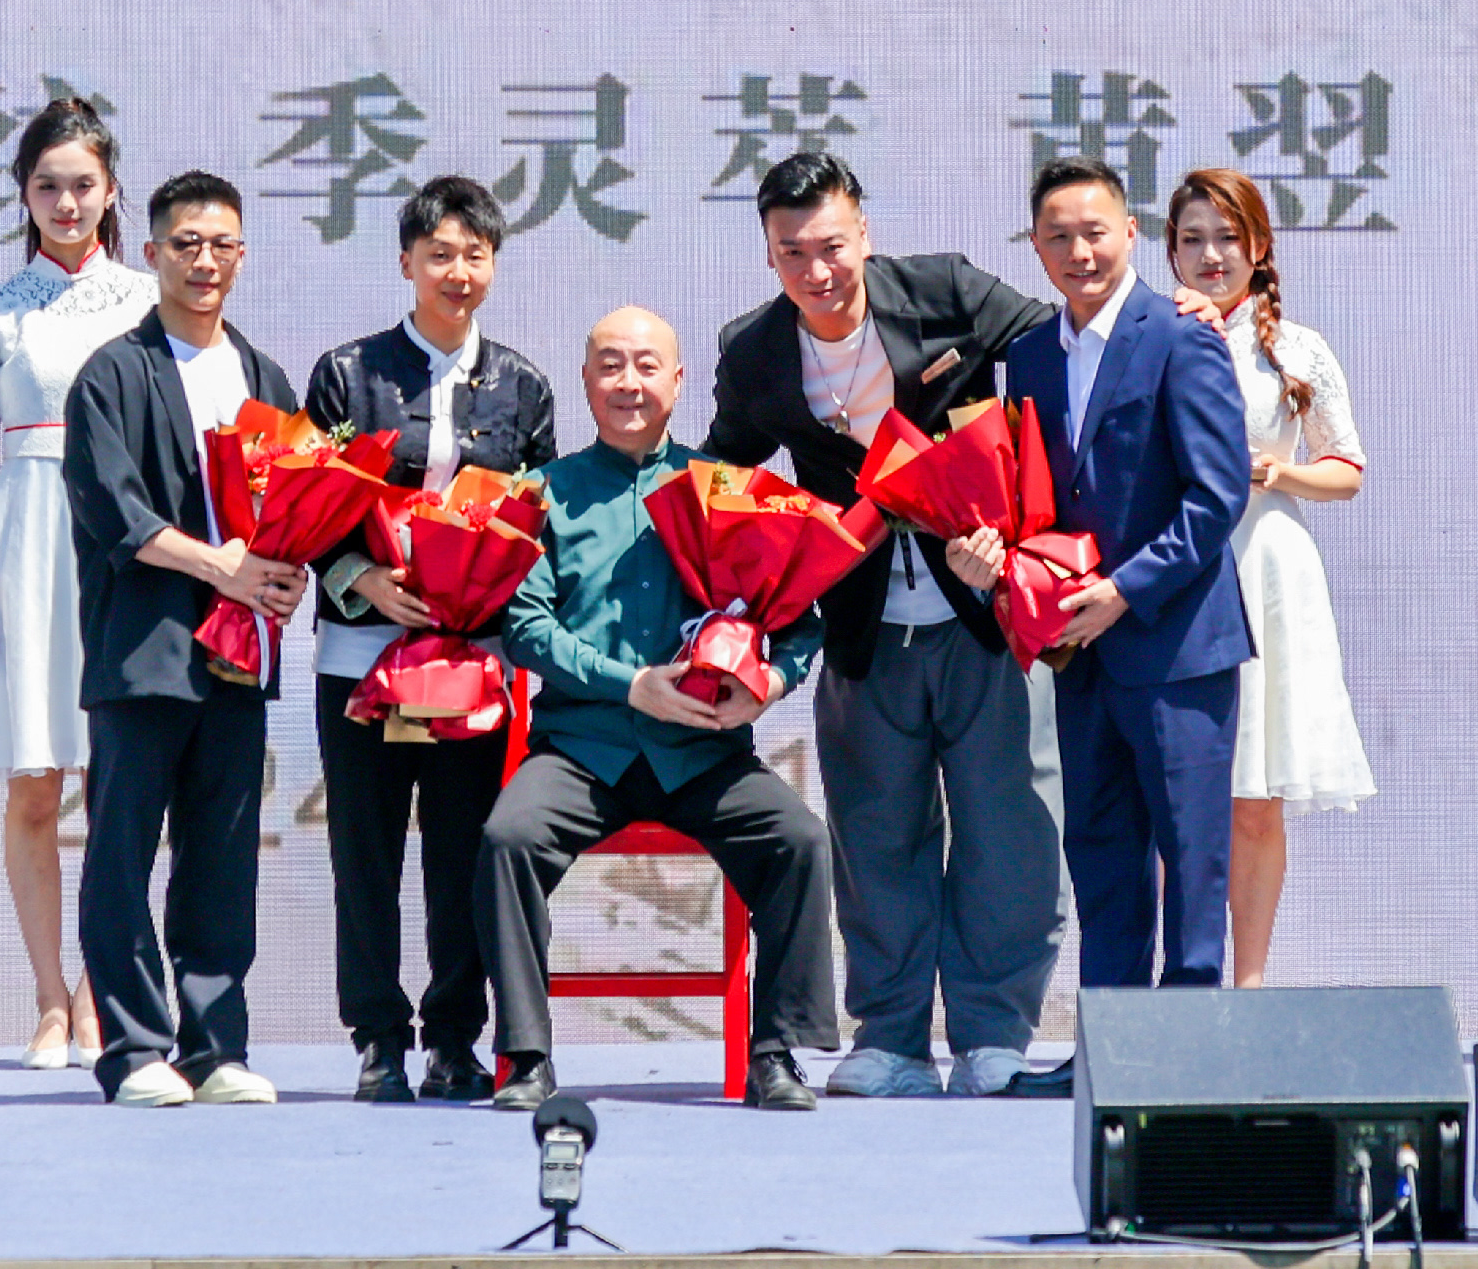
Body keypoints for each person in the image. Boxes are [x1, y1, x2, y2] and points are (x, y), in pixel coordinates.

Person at [704, 150, 1061, 1098]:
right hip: (861, 625)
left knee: (1008, 829)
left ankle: (993, 1033)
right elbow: (722, 474)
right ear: (769, 254)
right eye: (792, 252)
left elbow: (1064, 346)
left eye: (831, 245)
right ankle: (892, 1035)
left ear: (862, 230)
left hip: (982, 611)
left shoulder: (946, 293)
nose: (816, 270)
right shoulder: (755, 352)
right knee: (874, 832)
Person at [480, 307, 835, 1113]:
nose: (628, 382)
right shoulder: (544, 493)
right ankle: (526, 1054)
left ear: (678, 381)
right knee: (508, 837)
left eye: (647, 365)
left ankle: (774, 1052)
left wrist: (770, 683)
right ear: (585, 380)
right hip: (583, 749)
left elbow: (800, 619)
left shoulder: (727, 489)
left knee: (800, 840)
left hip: (702, 753)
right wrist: (628, 683)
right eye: (610, 364)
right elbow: (526, 627)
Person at [303, 175, 558, 1103]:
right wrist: (361, 578)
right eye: (439, 254)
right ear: (406, 262)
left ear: (495, 264)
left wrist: (479, 594)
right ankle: (377, 1039)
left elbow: (536, 524)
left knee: (463, 856)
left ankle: (455, 1037)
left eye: (474, 255)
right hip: (362, 657)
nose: (457, 272)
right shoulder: (347, 372)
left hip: (473, 666)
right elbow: (305, 506)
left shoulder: (524, 385)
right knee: (364, 856)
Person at [62, 171, 302, 1107]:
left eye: (223, 244)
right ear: (154, 252)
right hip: (144, 649)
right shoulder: (113, 374)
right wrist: (222, 568)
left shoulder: (263, 376)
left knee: (223, 855)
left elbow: (296, 506)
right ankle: (131, 1048)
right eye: (187, 243)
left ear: (243, 255)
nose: (206, 261)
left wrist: (284, 572)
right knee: (122, 854)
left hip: (238, 659)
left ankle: (213, 1046)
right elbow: (113, 511)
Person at [998, 158, 1250, 1020]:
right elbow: (1037, 495)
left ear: (1131, 233)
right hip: (1081, 652)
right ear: (1037, 247)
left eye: (1095, 232)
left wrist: (1123, 591)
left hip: (1178, 645)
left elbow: (1216, 495)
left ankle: (1186, 1045)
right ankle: (1109, 1045)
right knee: (1102, 853)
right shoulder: (1030, 354)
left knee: (1192, 852)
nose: (1080, 252)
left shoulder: (1180, 333)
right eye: (1058, 236)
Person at [0, 99, 157, 1072]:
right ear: (23, 194)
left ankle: (104, 992)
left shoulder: (149, 301)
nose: (66, 203)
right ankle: (46, 996)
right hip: (28, 547)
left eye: (83, 185)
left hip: (125, 551)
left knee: (121, 784)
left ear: (111, 191)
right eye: (47, 186)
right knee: (35, 783)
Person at [1160, 168, 1374, 989]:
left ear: (1259, 246)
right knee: (1177, 798)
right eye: (1192, 239)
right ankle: (1182, 984)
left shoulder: (1297, 347)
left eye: (1228, 237)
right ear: (1170, 249)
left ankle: (1248, 983)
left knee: (1254, 796)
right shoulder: (1151, 335)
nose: (1211, 255)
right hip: (1178, 569)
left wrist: (1277, 473)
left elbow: (1346, 467)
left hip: (1268, 568)